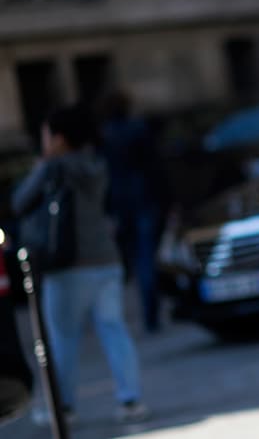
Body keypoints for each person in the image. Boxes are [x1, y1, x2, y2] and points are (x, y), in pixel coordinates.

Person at [12, 104, 149, 425]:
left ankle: (63, 407)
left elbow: (19, 202)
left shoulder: (53, 168)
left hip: (68, 265)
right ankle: (131, 400)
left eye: (46, 135)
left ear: (58, 139)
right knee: (114, 331)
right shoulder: (95, 164)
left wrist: (41, 165)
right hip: (106, 259)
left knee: (61, 338)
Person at [98, 90, 166, 333]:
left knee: (137, 258)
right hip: (142, 199)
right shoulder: (136, 130)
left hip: (122, 202)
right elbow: (154, 166)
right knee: (146, 257)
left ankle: (149, 311)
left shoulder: (107, 135)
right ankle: (151, 313)